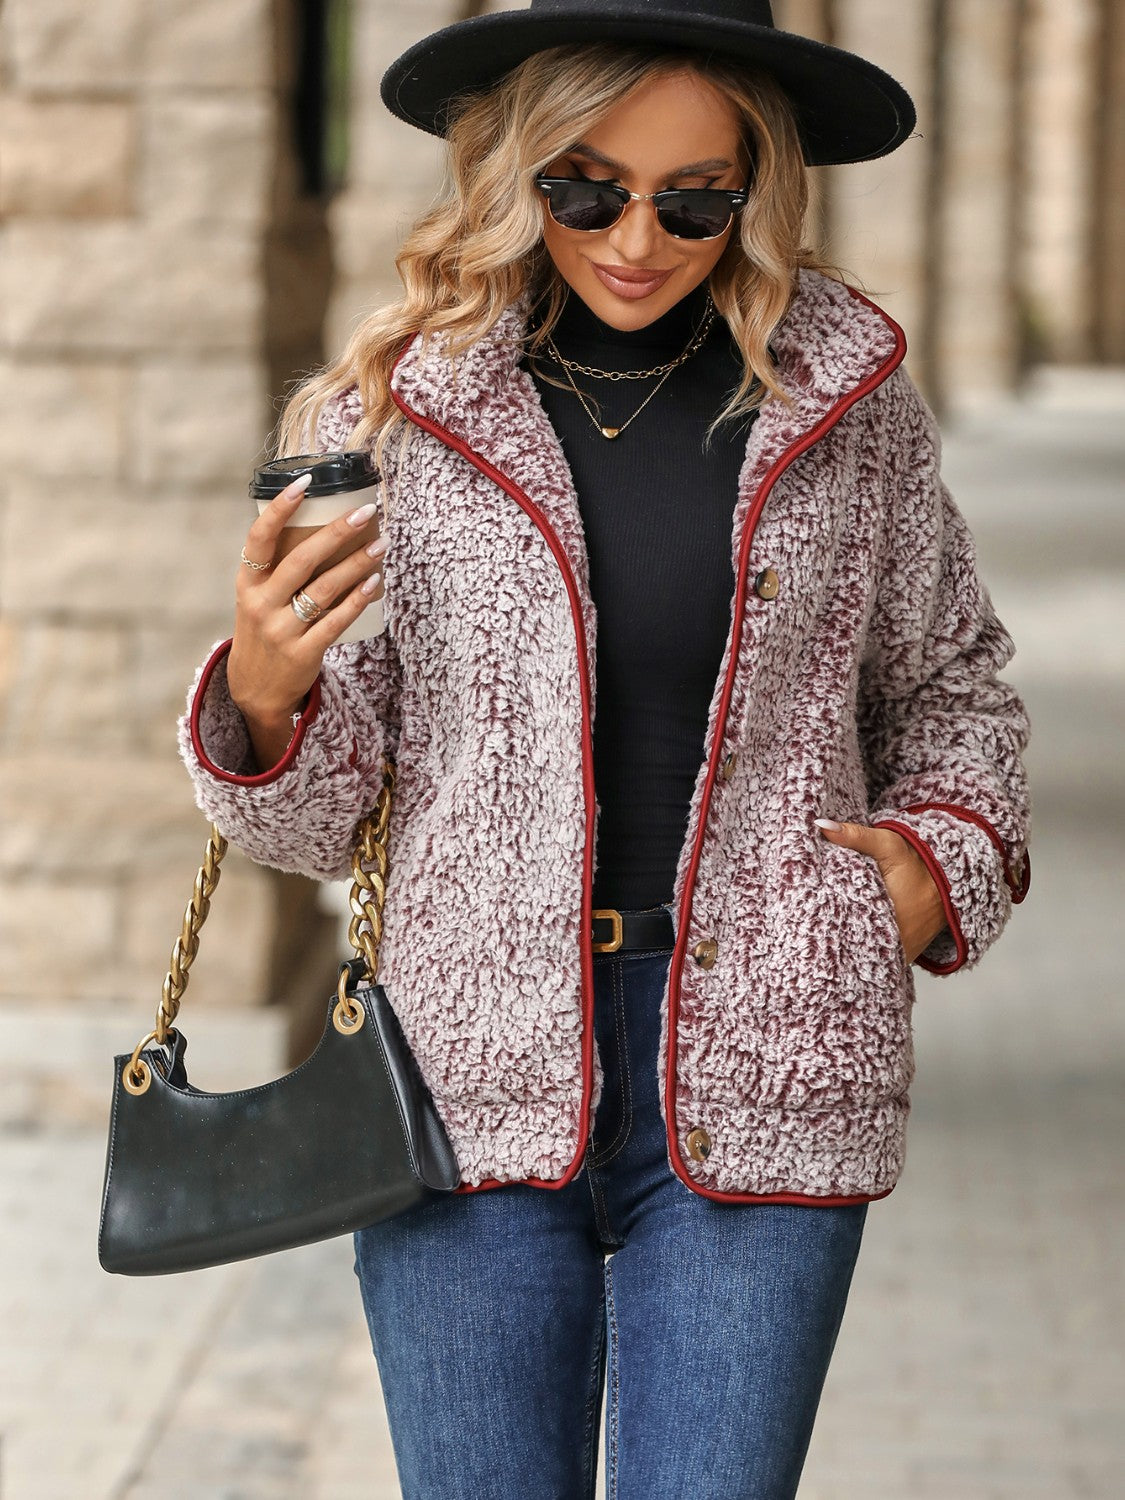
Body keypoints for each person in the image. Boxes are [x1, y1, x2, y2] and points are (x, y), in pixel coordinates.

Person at [179, 3, 1031, 1495]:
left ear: (756, 191)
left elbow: (955, 686)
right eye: (586, 190)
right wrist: (262, 696)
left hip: (772, 1051)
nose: (638, 240)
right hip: (461, 1079)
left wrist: (923, 869)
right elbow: (308, 831)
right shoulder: (387, 417)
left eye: (695, 200)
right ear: (518, 174)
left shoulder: (849, 412)